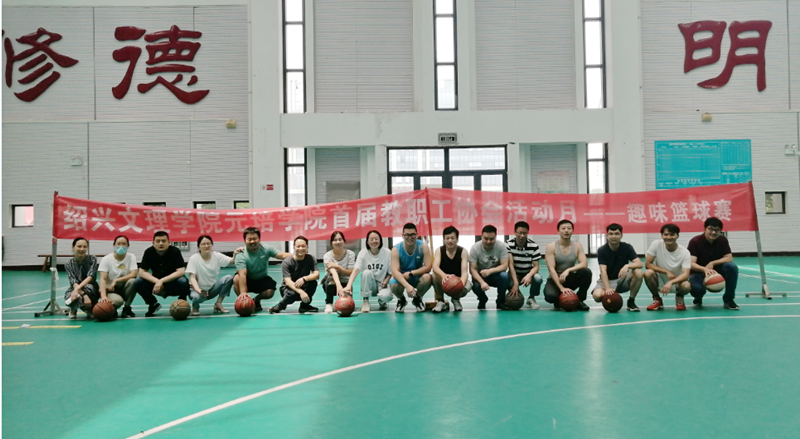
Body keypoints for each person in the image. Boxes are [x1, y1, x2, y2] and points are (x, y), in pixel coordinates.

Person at [233, 227, 291, 313]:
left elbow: (282, 255)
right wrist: (243, 293)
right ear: (244, 241)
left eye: (254, 238)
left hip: (261, 279)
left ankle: (256, 300)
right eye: (249, 239)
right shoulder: (241, 254)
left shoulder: (266, 248)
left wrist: (298, 255)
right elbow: (242, 275)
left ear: (259, 239)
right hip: (247, 279)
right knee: (236, 278)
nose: (252, 241)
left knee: (270, 292)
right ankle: (244, 301)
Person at [687, 217, 739, 310]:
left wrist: (712, 263)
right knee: (697, 289)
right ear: (704, 229)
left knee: (732, 267)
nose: (714, 232)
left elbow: (729, 258)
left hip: (717, 270)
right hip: (699, 271)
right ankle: (698, 297)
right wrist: (705, 269)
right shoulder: (695, 242)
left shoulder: (722, 240)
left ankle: (729, 299)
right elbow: (691, 263)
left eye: (717, 230)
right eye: (710, 229)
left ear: (720, 231)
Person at [135, 231, 190, 317]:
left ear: (169, 242)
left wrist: (162, 281)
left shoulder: (175, 251)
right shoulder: (149, 252)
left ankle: (182, 303)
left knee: (183, 281)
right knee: (138, 281)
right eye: (158, 241)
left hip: (172, 283)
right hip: (156, 285)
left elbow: (181, 271)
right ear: (153, 243)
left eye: (163, 241)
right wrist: (157, 281)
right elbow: (142, 272)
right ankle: (153, 303)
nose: (161, 243)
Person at [591, 224, 644, 311]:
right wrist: (608, 288)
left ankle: (631, 301)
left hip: (622, 279)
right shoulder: (602, 250)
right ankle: (614, 296)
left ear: (621, 235)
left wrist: (627, 266)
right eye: (611, 234)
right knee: (597, 296)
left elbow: (639, 264)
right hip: (608, 280)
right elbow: (603, 271)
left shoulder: (627, 247)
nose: (613, 236)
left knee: (638, 272)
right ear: (607, 235)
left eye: (616, 234)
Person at [186, 235, 243, 316]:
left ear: (212, 245)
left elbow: (231, 261)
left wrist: (236, 254)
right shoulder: (194, 258)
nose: (206, 246)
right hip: (197, 291)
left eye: (208, 243)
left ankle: (218, 303)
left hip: (212, 290)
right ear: (199, 247)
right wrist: (198, 290)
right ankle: (195, 306)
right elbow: (192, 277)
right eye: (203, 244)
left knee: (228, 278)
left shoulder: (217, 256)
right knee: (196, 298)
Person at [543, 220, 592, 311]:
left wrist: (568, 270)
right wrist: (561, 288)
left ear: (572, 231)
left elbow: (584, 263)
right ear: (558, 231)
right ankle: (559, 299)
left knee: (586, 272)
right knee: (550, 297)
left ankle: (580, 300)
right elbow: (551, 269)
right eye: (563, 228)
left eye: (569, 228)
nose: (566, 230)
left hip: (569, 278)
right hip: (555, 279)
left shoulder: (577, 246)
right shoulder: (551, 247)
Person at [643, 223, 692, 311]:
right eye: (666, 234)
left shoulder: (685, 252)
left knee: (686, 285)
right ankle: (657, 299)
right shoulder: (656, 244)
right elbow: (648, 264)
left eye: (672, 234)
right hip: (660, 279)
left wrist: (671, 282)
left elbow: (686, 274)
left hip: (677, 281)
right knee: (648, 273)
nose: (669, 237)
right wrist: (666, 271)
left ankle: (679, 297)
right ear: (662, 235)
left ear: (677, 236)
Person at [344, 230, 393, 313]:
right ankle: (365, 300)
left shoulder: (387, 252)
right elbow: (356, 270)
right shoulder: (363, 253)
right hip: (370, 285)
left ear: (380, 240)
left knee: (387, 296)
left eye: (376, 239)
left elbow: (390, 273)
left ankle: (382, 301)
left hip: (382, 284)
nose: (374, 241)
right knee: (366, 273)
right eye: (371, 239)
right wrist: (348, 285)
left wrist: (386, 281)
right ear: (367, 242)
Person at [389, 223, 433, 313]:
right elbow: (395, 271)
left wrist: (411, 273)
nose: (410, 237)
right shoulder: (396, 249)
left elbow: (428, 267)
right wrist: (407, 286)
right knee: (393, 286)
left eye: (412, 234)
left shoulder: (423, 246)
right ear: (402, 235)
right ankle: (401, 300)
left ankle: (417, 299)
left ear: (417, 235)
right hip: (402, 277)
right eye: (407, 235)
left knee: (428, 278)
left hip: (416, 276)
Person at [270, 236, 320, 314]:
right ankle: (280, 305)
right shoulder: (287, 262)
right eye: (298, 246)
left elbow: (316, 275)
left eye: (303, 246)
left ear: (307, 247)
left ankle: (304, 306)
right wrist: (301, 292)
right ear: (294, 247)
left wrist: (304, 278)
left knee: (313, 283)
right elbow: (288, 282)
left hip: (303, 285)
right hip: (288, 289)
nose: (301, 248)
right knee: (292, 294)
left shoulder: (310, 258)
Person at [431, 226, 472, 313]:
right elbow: (435, 267)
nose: (450, 241)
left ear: (457, 239)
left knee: (468, 286)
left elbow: (465, 273)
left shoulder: (463, 251)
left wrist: (460, 284)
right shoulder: (439, 250)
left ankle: (456, 299)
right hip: (444, 279)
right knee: (435, 276)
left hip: (457, 279)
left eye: (452, 238)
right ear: (444, 239)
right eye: (447, 238)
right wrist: (444, 276)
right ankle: (441, 301)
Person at [469, 224, 510, 310]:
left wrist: (490, 271)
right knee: (475, 285)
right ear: (481, 236)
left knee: (504, 276)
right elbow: (472, 269)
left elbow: (504, 266)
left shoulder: (502, 246)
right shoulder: (475, 248)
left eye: (491, 239)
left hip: (495, 274)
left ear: (496, 237)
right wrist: (482, 282)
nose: (488, 241)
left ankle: (500, 301)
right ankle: (482, 299)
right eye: (486, 238)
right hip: (481, 276)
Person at [97, 235, 138, 318]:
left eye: (124, 244)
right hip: (110, 290)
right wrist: (103, 296)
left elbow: (133, 274)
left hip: (124, 288)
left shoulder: (131, 257)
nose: (121, 246)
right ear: (114, 245)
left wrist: (116, 280)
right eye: (118, 244)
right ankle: (112, 309)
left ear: (128, 246)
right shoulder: (106, 259)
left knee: (134, 281)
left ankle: (127, 308)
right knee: (118, 301)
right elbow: (103, 279)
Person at [507, 221, 544, 310]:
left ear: (528, 233)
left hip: (528, 272)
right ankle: (516, 296)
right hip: (514, 273)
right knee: (506, 279)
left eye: (525, 233)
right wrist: (516, 283)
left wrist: (529, 275)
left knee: (538, 278)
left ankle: (531, 298)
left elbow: (536, 266)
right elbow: (510, 265)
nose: (522, 235)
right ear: (515, 232)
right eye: (520, 233)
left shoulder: (534, 245)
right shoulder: (508, 244)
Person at [321, 231, 356, 314]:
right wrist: (339, 286)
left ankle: (347, 298)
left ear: (344, 241)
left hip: (346, 282)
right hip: (331, 282)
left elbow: (350, 272)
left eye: (340, 239)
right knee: (331, 282)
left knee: (347, 304)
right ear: (331, 243)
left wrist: (337, 266)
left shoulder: (350, 254)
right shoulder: (327, 256)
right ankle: (329, 303)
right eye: (335, 240)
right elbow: (333, 272)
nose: (338, 242)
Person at [64, 237, 99, 319]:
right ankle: (76, 309)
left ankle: (87, 308)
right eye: (79, 246)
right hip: (76, 287)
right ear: (73, 247)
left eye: (85, 247)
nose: (82, 249)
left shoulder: (92, 259)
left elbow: (90, 277)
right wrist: (83, 295)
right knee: (69, 296)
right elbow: (73, 281)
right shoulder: (68, 264)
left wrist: (77, 290)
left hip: (91, 287)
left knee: (89, 288)